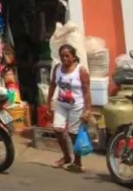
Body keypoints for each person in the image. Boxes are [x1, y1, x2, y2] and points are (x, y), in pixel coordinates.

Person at [46, 44, 92, 173]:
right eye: (62, 56)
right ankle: (66, 157)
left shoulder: (81, 70)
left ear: (73, 56)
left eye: (67, 56)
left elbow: (87, 91)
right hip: (61, 104)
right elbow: (53, 85)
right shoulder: (57, 68)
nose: (64, 58)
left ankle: (77, 162)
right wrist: (48, 102)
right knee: (58, 130)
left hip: (76, 106)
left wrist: (88, 110)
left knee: (73, 134)